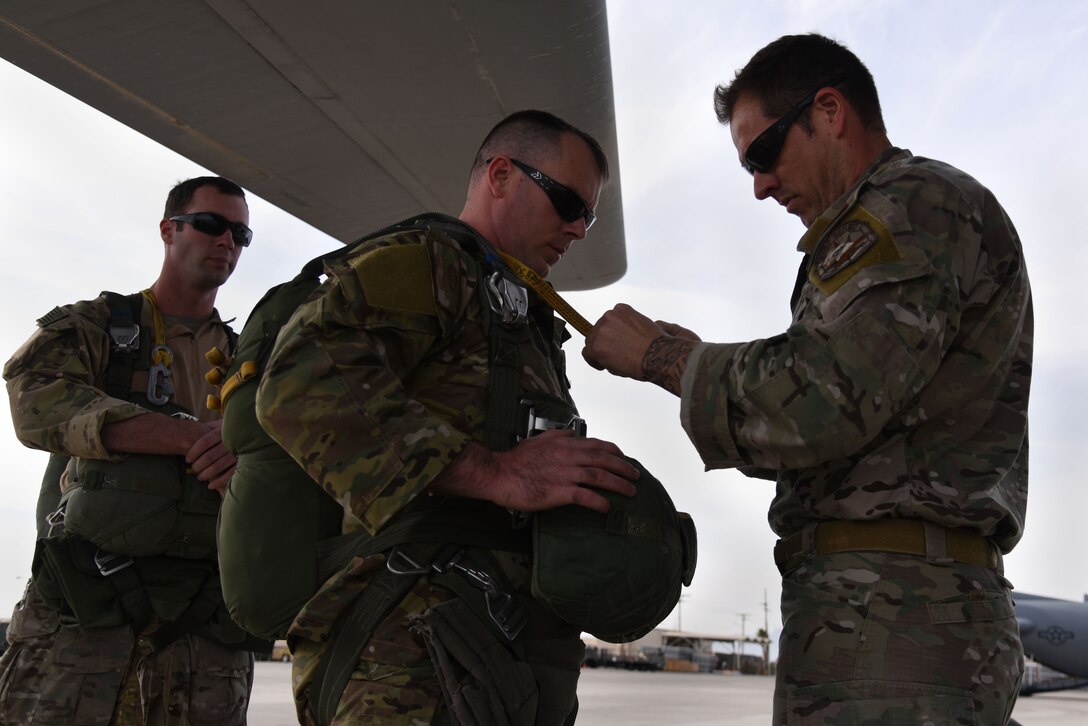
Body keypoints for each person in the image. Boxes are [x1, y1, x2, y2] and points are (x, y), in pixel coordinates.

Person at [583, 34, 1032, 725]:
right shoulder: (881, 225)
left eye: (763, 155)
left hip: (897, 628)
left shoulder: (912, 208)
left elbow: (825, 403)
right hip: (881, 617)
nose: (761, 186)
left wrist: (666, 356)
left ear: (829, 112)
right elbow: (841, 437)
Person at [255, 109, 639, 725]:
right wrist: (494, 472)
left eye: (587, 214)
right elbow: (298, 381)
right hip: (411, 653)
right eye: (567, 202)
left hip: (492, 652)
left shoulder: (515, 308)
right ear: (502, 175)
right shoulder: (429, 263)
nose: (579, 229)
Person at [1, 176, 258, 724]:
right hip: (84, 614)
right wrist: (189, 437)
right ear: (170, 230)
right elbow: (34, 398)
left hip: (204, 621)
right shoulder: (99, 328)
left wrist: (246, 455)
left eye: (240, 234)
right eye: (211, 225)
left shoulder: (256, 363)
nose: (226, 242)